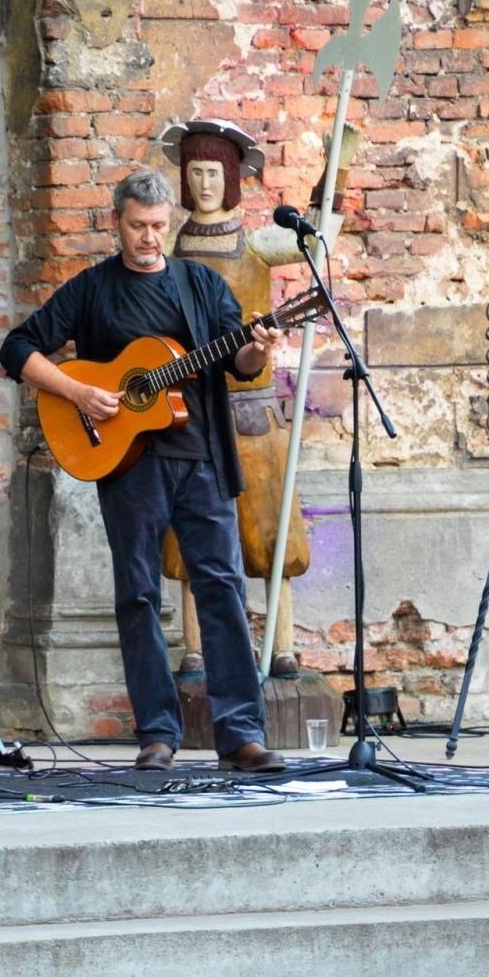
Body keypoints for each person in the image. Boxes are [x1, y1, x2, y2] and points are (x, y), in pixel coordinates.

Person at [0, 169, 286, 773]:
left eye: (158, 226)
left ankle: (240, 733)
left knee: (223, 589)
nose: (149, 238)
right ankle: (158, 732)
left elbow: (238, 360)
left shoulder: (201, 284)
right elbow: (17, 349)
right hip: (128, 465)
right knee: (137, 594)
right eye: (137, 226)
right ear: (117, 223)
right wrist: (77, 391)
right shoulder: (92, 290)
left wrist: (258, 349)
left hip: (201, 460)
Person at [157, 117, 338, 666]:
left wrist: (337, 168)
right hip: (187, 406)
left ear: (231, 178)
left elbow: (318, 239)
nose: (205, 183)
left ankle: (280, 647)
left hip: (252, 410)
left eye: (214, 172)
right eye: (196, 173)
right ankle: (195, 651)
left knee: (270, 533)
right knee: (188, 541)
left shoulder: (257, 242)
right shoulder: (167, 242)